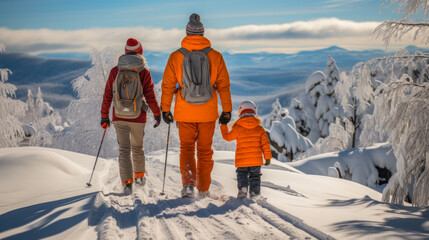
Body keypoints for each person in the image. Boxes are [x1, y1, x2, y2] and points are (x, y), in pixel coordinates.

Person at [161, 13, 232, 198]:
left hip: (184, 112)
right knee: (204, 151)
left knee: (186, 148)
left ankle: (188, 186)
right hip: (208, 112)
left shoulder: (175, 56)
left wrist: (166, 109)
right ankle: (204, 189)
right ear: (203, 33)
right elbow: (223, 85)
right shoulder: (216, 56)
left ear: (187, 33)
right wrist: (227, 110)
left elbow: (168, 86)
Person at [101, 38, 161, 194]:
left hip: (119, 116)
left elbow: (108, 94)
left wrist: (104, 116)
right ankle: (140, 176)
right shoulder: (144, 72)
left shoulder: (115, 71)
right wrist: (157, 114)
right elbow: (150, 97)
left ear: (125, 51)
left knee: (124, 150)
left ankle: (127, 183)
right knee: (137, 148)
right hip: (138, 117)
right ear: (140, 51)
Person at [220, 100, 272, 198]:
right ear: (254, 112)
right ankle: (255, 193)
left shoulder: (237, 127)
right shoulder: (259, 128)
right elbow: (265, 144)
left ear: (240, 112)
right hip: (256, 160)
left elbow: (227, 137)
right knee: (255, 176)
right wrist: (267, 157)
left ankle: (243, 190)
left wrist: (223, 125)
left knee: (242, 174)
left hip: (242, 159)